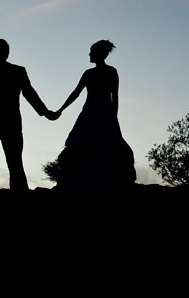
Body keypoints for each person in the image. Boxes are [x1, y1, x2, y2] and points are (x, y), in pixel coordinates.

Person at [52, 40, 136, 192]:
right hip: (88, 113)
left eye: (92, 52)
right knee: (77, 144)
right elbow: (76, 93)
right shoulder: (88, 73)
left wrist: (113, 117)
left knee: (111, 144)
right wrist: (61, 109)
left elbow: (115, 96)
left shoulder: (111, 71)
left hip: (105, 113)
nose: (89, 54)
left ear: (101, 54)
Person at [0, 38, 50, 191]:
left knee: (12, 163)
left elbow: (29, 93)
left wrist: (45, 112)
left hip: (8, 124)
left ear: (2, 53)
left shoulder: (17, 71)